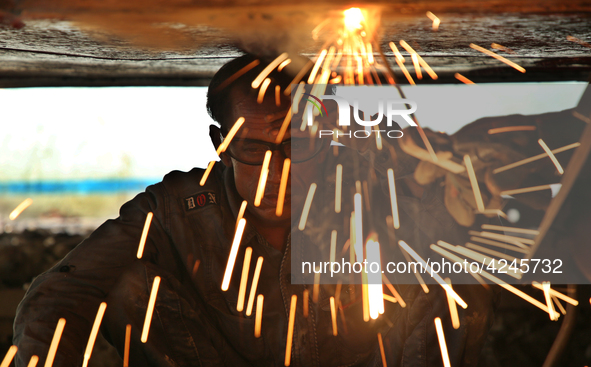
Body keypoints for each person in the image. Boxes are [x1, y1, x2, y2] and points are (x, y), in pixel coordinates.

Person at [13, 54, 501, 367]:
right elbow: (60, 291)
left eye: (295, 145)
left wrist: (461, 210)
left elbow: (438, 237)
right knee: (127, 287)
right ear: (218, 145)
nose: (279, 170)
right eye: (253, 150)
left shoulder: (358, 193)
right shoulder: (175, 211)